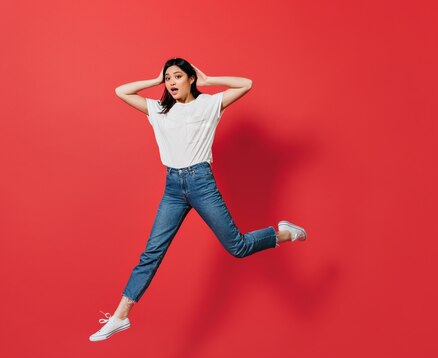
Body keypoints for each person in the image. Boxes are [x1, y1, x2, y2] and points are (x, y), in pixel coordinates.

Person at [89, 57, 306, 342]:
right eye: (168, 78)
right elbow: (122, 91)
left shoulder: (209, 105)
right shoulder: (158, 110)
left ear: (191, 78)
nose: (171, 82)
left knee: (237, 247)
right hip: (173, 188)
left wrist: (209, 80)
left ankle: (285, 233)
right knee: (152, 252)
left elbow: (246, 84)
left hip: (201, 183)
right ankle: (120, 316)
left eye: (177, 76)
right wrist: (155, 80)